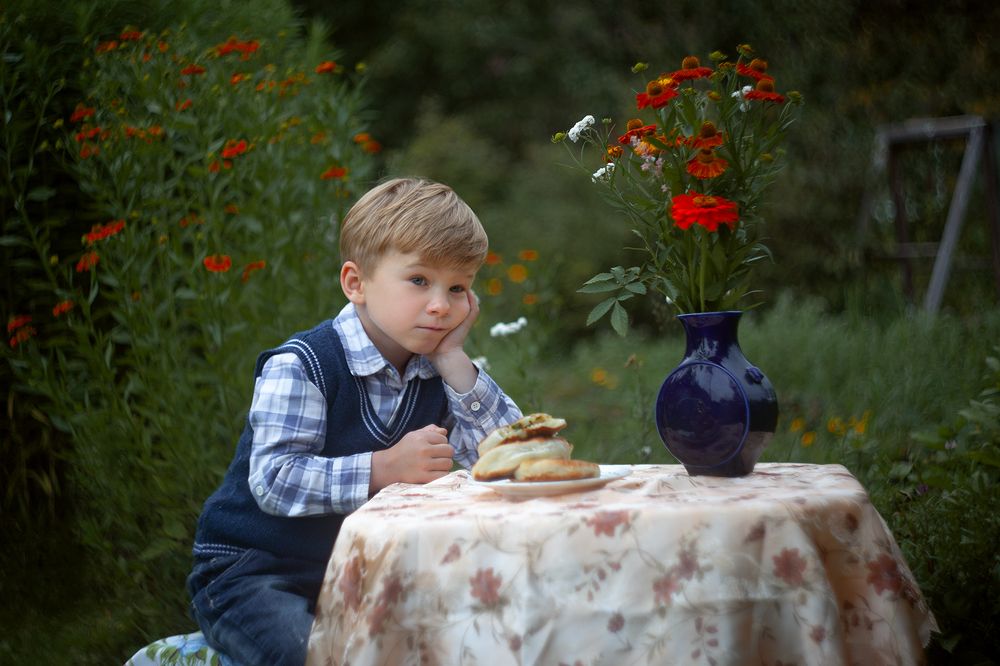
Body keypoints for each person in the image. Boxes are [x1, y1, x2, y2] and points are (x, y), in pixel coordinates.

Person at [187, 177, 522, 665]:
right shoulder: (303, 365)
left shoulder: (437, 369)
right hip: (254, 571)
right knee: (316, 657)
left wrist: (453, 357)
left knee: (474, 635)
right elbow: (274, 480)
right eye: (419, 281)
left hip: (364, 572)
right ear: (356, 283)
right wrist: (382, 467)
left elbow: (510, 459)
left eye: (458, 288)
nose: (440, 305)